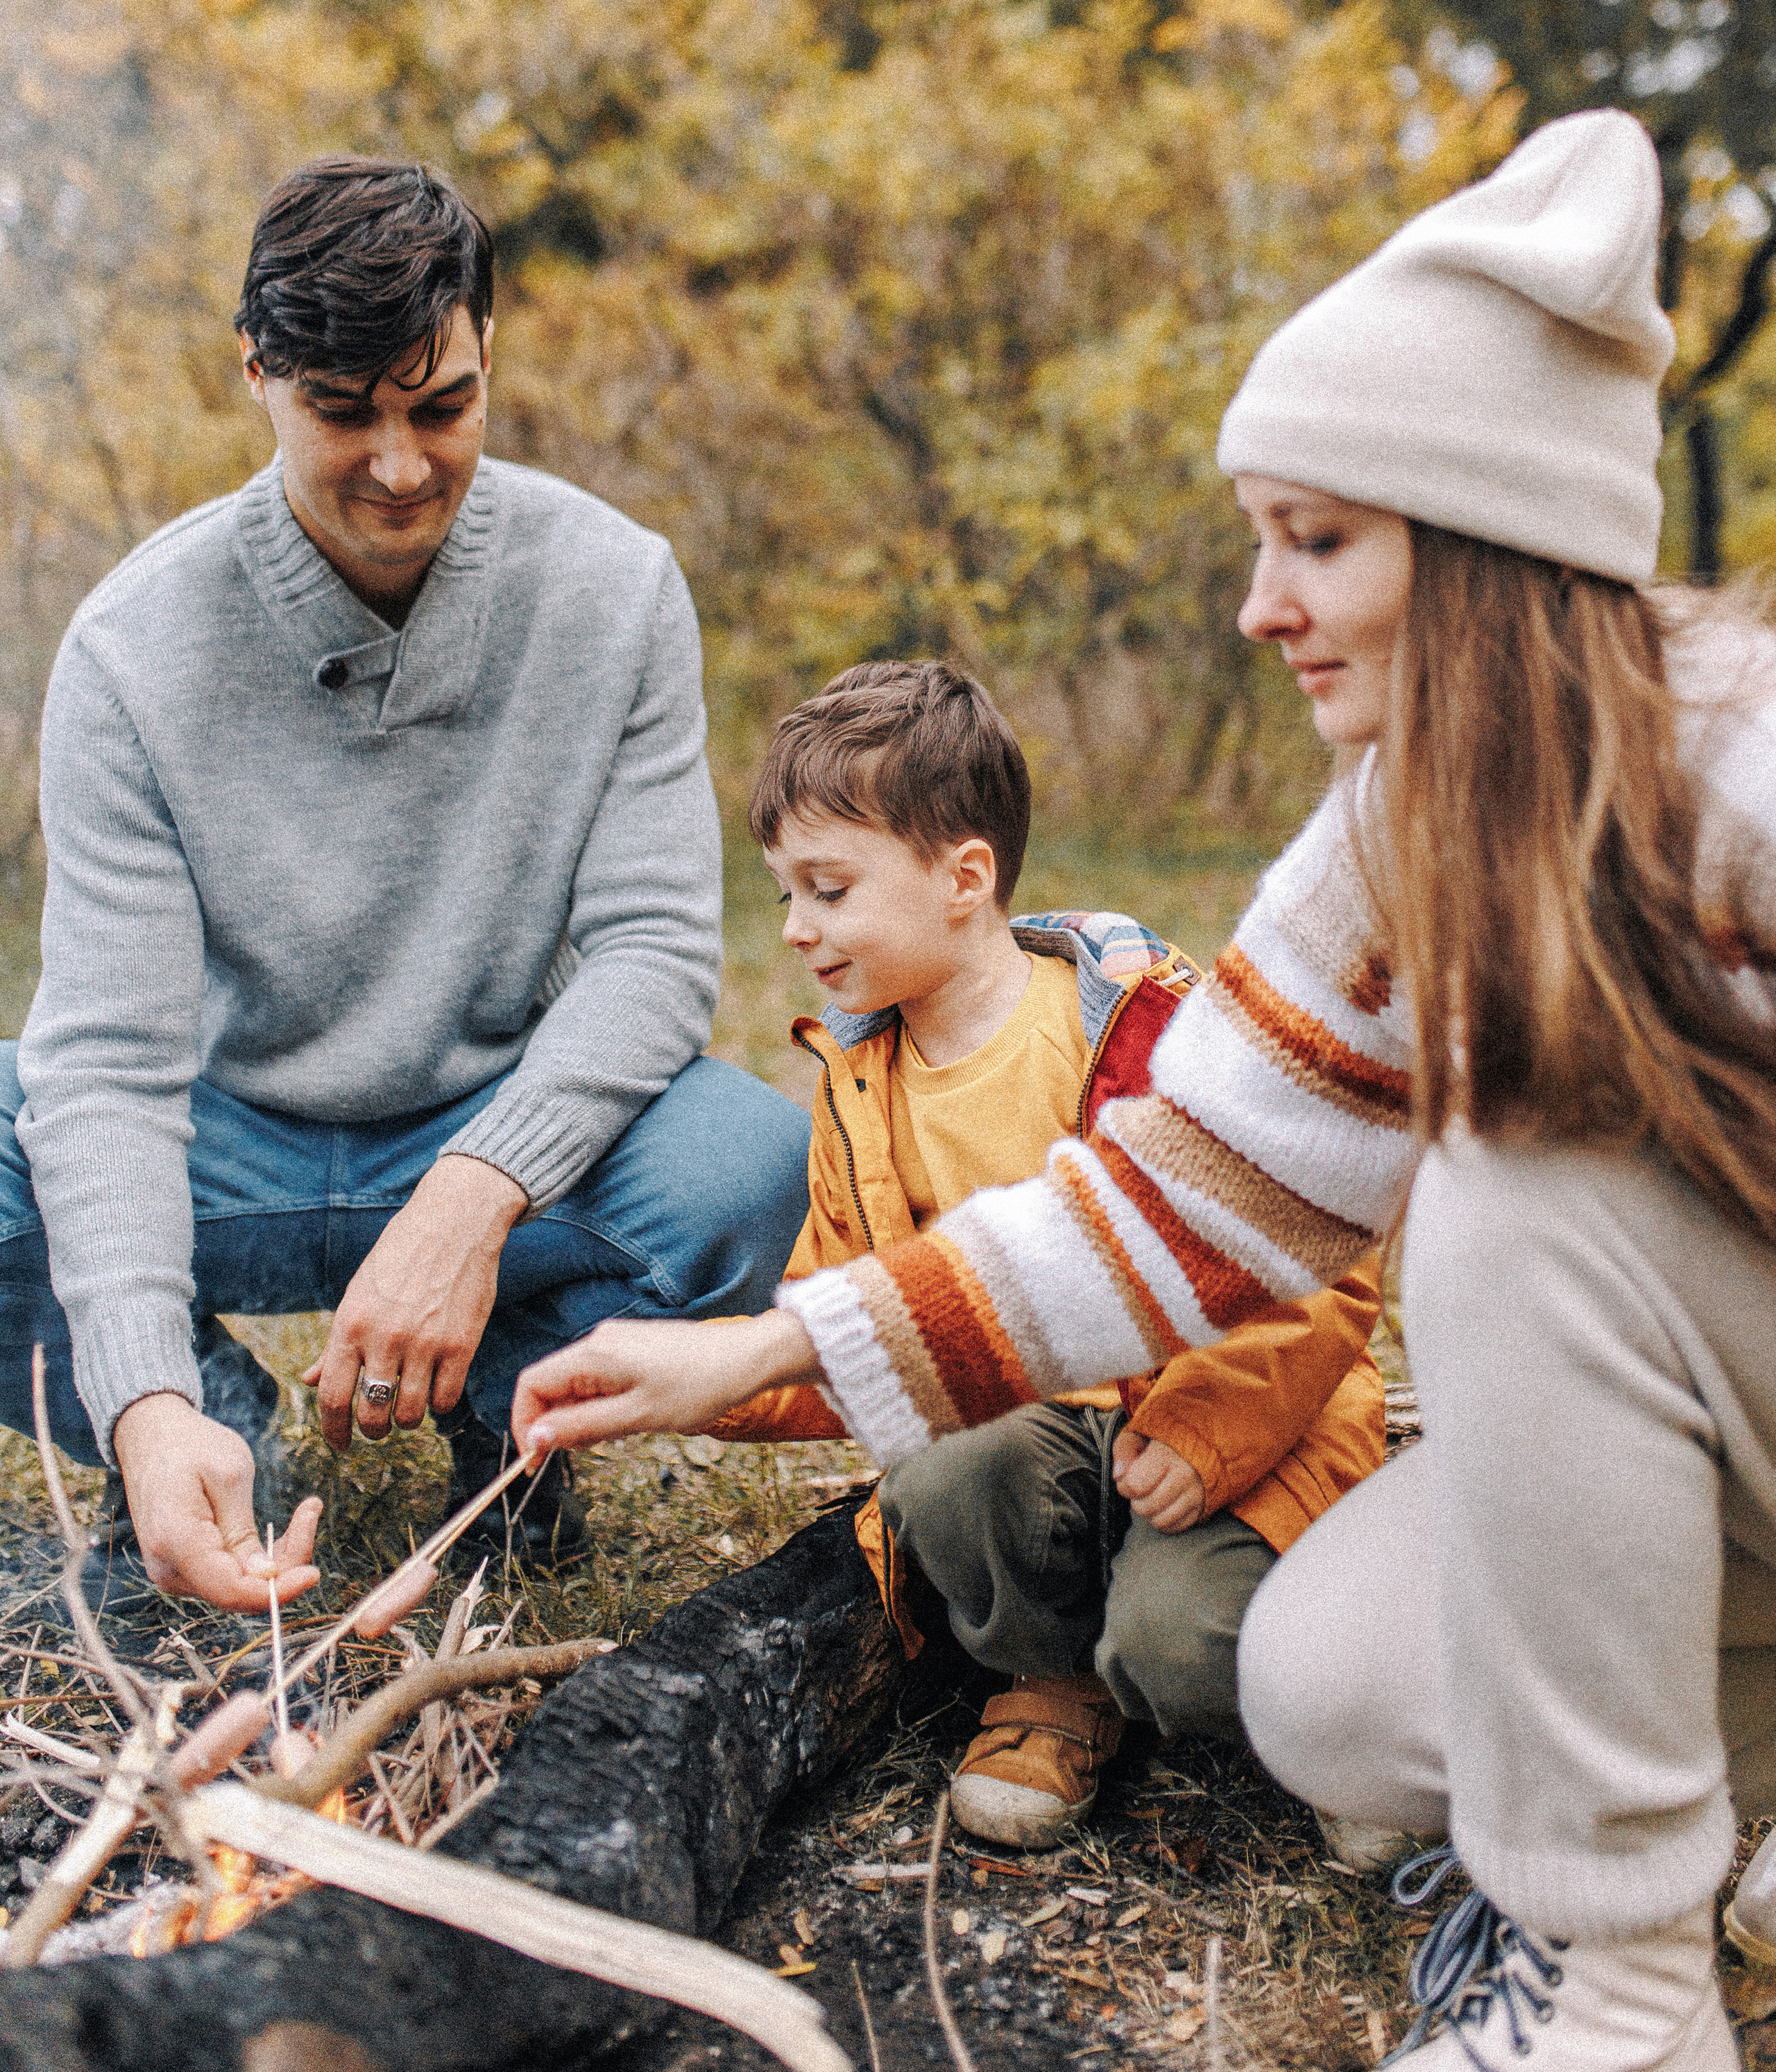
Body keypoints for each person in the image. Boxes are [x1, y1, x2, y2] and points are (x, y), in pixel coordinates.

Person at [511, 108, 1775, 2071]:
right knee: (1332, 1686)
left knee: (1520, 1199)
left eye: (1321, 541)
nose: (1261, 607)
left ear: (1498, 543)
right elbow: (1178, 1202)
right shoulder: (1391, 842)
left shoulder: (1744, 778)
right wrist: (755, 1351)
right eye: (1262, 538)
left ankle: (1620, 1987)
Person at [1, 154, 810, 1617]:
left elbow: (651, 955)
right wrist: (140, 1400)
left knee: (739, 1165)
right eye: (342, 412)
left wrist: (471, 1197)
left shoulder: (616, 590)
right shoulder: (131, 647)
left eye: (441, 406)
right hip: (224, 1137)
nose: (398, 463)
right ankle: (210, 1436)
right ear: (255, 371)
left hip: (478, 1124)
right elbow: (109, 1065)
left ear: (489, 354)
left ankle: (508, 1439)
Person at [703, 658, 1384, 1849]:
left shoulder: (1141, 1028)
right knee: (943, 1464)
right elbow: (848, 1313)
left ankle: (1359, 1713)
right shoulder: (862, 1084)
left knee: (1182, 1647)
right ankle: (1051, 1678)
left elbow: (1308, 1267)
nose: (797, 931)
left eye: (828, 890)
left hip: (1222, 1419)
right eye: (784, 899)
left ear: (965, 877)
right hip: (1042, 1445)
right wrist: (707, 1380)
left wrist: (1204, 1426)